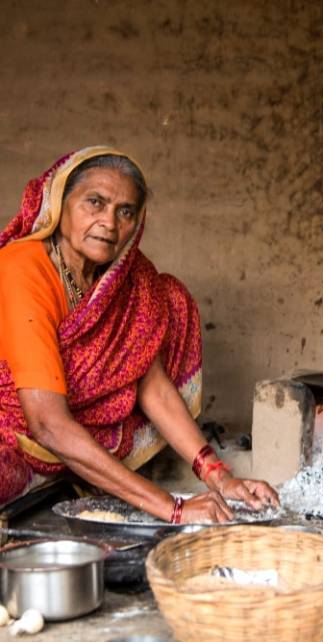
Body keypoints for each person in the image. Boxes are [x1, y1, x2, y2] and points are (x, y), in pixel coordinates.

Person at [0, 146, 279, 523]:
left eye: (125, 211)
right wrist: (173, 508)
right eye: (94, 203)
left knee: (169, 298)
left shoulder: (126, 281)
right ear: (59, 204)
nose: (109, 224)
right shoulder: (22, 269)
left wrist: (219, 475)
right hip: (19, 438)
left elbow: (152, 385)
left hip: (68, 438)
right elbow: (47, 424)